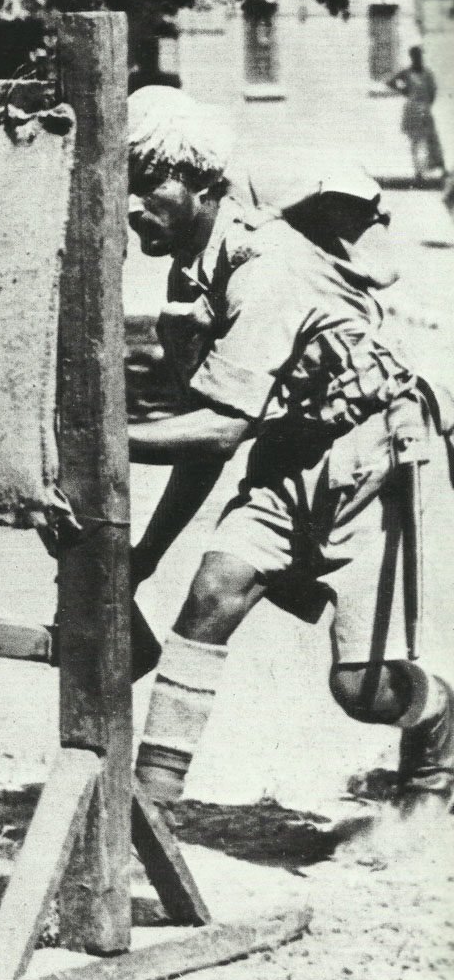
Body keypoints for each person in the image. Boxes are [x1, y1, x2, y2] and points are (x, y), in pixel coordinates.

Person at [126, 86, 454, 819]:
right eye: (126, 185)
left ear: (201, 182)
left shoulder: (262, 265)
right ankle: (149, 810)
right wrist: (145, 555)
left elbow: (216, 430)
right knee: (210, 596)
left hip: (376, 461)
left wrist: (101, 444)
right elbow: (212, 437)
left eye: (151, 182)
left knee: (363, 687)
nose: (133, 203)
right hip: (287, 460)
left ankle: (438, 724)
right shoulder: (194, 275)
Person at [388, 46, 447, 187]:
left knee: (432, 138)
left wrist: (427, 103)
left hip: (424, 109)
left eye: (419, 55)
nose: (418, 58)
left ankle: (440, 168)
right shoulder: (407, 72)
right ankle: (418, 171)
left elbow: (433, 91)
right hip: (413, 109)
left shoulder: (427, 73)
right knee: (415, 141)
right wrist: (404, 91)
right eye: (416, 56)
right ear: (412, 57)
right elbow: (390, 82)